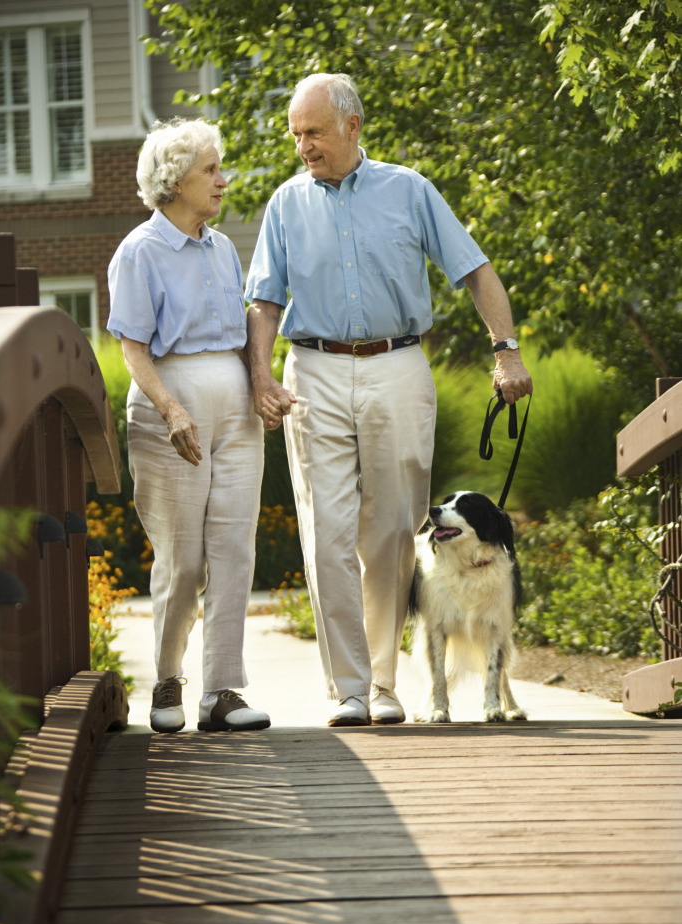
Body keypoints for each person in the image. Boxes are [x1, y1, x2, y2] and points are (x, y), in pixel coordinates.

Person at [245, 73, 532, 727]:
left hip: (396, 365)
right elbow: (262, 301)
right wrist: (261, 377)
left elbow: (474, 269)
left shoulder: (408, 190)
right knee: (326, 535)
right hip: (311, 371)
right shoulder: (285, 205)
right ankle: (347, 687)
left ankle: (381, 684)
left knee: (393, 535)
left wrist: (505, 350)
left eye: (312, 131)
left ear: (351, 125)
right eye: (295, 134)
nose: (303, 146)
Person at [107, 118, 270, 734]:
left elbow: (241, 334)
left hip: (235, 408)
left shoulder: (222, 247)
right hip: (169, 407)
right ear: (175, 181)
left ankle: (223, 691)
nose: (222, 181)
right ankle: (169, 680)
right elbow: (133, 349)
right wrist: (171, 408)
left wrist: (262, 383)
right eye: (211, 170)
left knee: (234, 550)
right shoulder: (140, 251)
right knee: (182, 559)